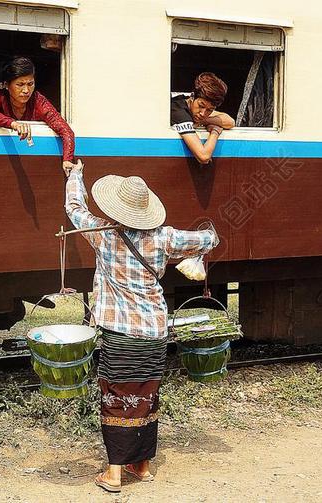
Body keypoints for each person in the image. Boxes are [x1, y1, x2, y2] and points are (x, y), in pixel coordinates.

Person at [63, 160, 218, 493]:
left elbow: (74, 207)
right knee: (147, 396)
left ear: (115, 209)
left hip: (121, 334)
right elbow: (208, 238)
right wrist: (200, 248)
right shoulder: (165, 238)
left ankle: (115, 474)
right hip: (155, 333)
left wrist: (75, 174)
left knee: (117, 398)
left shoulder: (100, 234)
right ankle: (142, 467)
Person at [0, 57, 76, 173]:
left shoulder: (38, 101)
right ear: (6, 85)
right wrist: (13, 124)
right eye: (20, 84)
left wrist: (67, 159)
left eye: (30, 84)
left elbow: (66, 131)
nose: (26, 90)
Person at [171, 72, 235, 164]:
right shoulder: (179, 112)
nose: (203, 113)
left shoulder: (196, 110)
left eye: (210, 110)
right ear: (192, 97)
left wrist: (203, 121)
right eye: (201, 105)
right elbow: (203, 157)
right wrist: (215, 132)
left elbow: (230, 122)